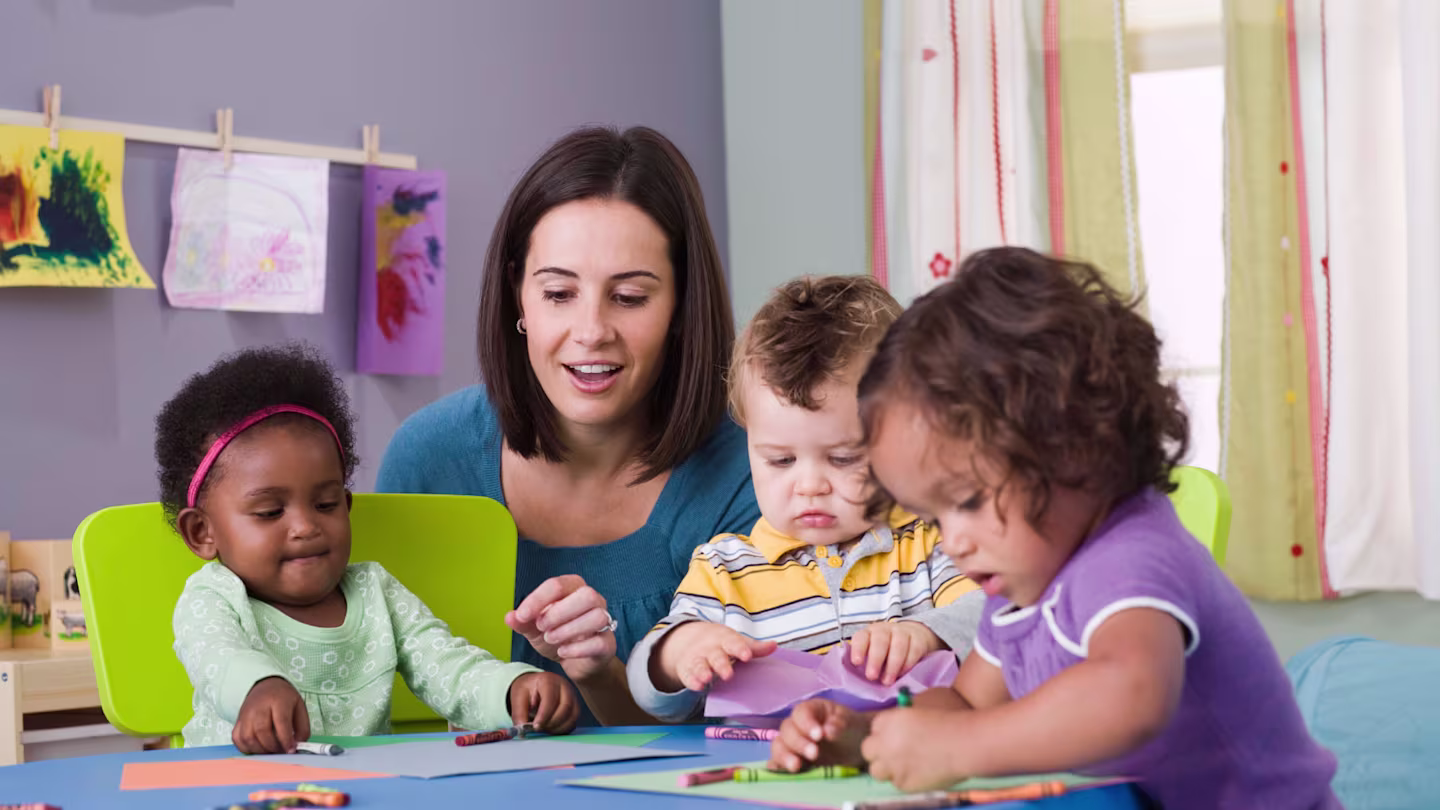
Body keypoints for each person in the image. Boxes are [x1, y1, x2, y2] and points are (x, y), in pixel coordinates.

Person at [768, 248, 1341, 809]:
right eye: (934, 518)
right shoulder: (1021, 581)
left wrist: (961, 748)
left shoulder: (1133, 553)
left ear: (1072, 444)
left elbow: (1132, 694)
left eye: (967, 500)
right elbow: (968, 706)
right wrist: (863, 739)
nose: (954, 541)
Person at [376, 126, 759, 725]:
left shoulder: (754, 476)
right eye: (558, 292)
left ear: (682, 307)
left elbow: (735, 744)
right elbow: (379, 703)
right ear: (518, 298)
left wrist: (598, 672)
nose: (590, 330)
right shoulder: (428, 457)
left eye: (629, 297)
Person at [160, 344, 578, 753]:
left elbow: (447, 666)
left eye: (325, 505)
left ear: (346, 506)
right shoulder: (213, 598)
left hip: (363, 791)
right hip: (236, 790)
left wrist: (512, 689)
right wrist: (258, 687)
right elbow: (218, 658)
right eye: (270, 512)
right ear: (202, 532)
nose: (305, 527)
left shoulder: (375, 592)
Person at [627, 276, 982, 722]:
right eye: (780, 460)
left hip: (901, 768)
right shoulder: (725, 571)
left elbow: (998, 619)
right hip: (766, 777)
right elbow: (646, 689)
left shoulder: (927, 539)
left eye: (843, 457)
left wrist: (927, 632)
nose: (809, 485)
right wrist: (680, 652)